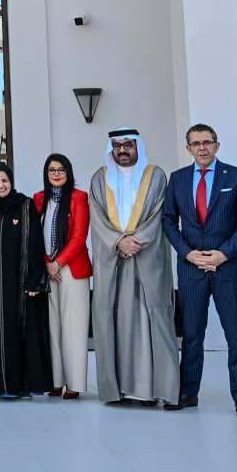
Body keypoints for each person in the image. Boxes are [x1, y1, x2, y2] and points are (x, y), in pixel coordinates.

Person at [160, 123, 237, 418]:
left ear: (217, 145)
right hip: (192, 269)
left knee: (235, 334)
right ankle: (189, 392)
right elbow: (167, 221)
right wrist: (188, 254)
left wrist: (223, 254)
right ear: (188, 148)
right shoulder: (177, 179)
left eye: (207, 142)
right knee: (191, 335)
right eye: (196, 143)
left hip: (229, 269)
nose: (202, 148)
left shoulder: (236, 176)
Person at [87, 128, 179, 407]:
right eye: (117, 146)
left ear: (137, 146)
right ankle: (119, 390)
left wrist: (135, 242)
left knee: (154, 320)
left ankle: (157, 389)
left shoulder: (156, 176)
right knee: (113, 321)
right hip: (113, 261)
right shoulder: (99, 179)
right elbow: (97, 217)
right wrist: (118, 242)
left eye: (128, 145)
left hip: (147, 258)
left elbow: (159, 214)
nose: (123, 150)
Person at [0, 162, 50, 398]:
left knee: (20, 333)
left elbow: (36, 244)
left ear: (11, 182)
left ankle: (20, 386)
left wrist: (35, 280)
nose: (0, 185)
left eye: (5, 181)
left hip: (19, 285)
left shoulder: (24, 205)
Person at [33, 153, 90, 399]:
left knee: (74, 327)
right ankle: (55, 380)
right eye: (51, 170)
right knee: (52, 326)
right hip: (48, 271)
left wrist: (59, 262)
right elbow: (35, 234)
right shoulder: (38, 199)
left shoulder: (79, 198)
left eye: (61, 169)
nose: (56, 174)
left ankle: (75, 383)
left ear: (69, 173)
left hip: (72, 269)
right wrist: (48, 264)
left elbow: (79, 236)